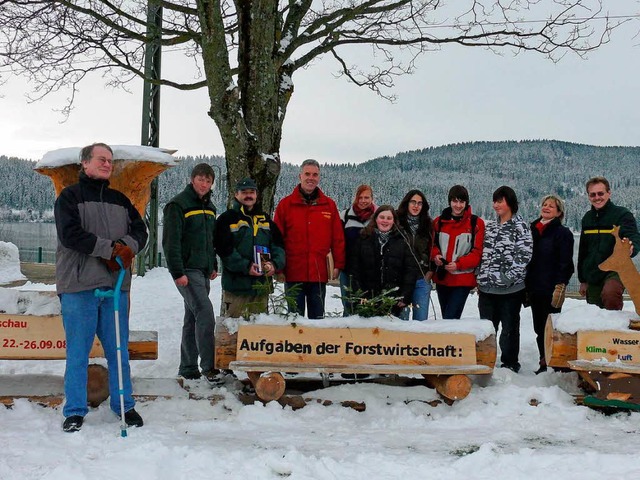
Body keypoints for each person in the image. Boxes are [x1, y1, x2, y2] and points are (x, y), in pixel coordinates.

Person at [54, 142, 147, 433]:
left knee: (118, 350)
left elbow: (140, 231)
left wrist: (126, 249)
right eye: (101, 159)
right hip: (79, 285)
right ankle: (75, 410)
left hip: (115, 286)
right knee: (78, 353)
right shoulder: (69, 197)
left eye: (110, 160)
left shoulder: (121, 200)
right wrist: (109, 250)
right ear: (85, 163)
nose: (107, 164)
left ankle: (124, 405)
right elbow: (71, 235)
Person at [162, 163, 221, 385]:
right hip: (186, 270)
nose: (204, 184)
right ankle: (209, 367)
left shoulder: (210, 208)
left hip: (203, 271)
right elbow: (171, 242)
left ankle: (188, 367)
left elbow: (210, 241)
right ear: (192, 179)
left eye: (208, 181)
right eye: (201, 179)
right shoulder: (178, 205)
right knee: (205, 313)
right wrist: (177, 272)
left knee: (192, 318)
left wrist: (212, 264)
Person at [274, 159, 345, 319]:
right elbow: (276, 239)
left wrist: (338, 264)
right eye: (307, 174)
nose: (310, 178)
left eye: (315, 174)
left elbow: (337, 238)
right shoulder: (286, 205)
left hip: (318, 272)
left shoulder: (328, 205)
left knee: (317, 321)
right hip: (293, 272)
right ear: (300, 176)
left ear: (319, 178)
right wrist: (279, 267)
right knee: (294, 321)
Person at [477, 186, 532, 373]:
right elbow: (483, 255)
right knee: (486, 329)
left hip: (511, 290)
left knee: (509, 329)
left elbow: (524, 256)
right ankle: (485, 361)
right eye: (494, 201)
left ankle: (509, 364)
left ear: (510, 202)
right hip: (486, 289)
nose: (496, 205)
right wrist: (481, 276)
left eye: (500, 201)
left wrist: (507, 278)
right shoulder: (490, 226)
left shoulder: (521, 226)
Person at [215, 177, 285, 317]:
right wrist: (246, 267)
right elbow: (225, 250)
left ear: (256, 195)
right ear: (236, 194)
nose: (248, 195)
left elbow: (279, 246)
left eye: (251, 192)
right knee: (233, 331)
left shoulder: (266, 220)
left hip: (261, 288)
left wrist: (274, 264)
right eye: (244, 192)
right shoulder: (226, 219)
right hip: (236, 288)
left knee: (259, 333)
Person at [525, 195, 574, 374]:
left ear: (559, 212)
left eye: (551, 206)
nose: (546, 208)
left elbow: (566, 263)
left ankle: (556, 361)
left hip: (551, 288)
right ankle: (543, 360)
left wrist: (561, 286)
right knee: (539, 328)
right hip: (534, 287)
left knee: (551, 328)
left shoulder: (563, 233)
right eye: (544, 205)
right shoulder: (531, 230)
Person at [578, 176, 640, 310]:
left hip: (614, 270)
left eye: (601, 193)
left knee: (610, 293)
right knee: (595, 311)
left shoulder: (622, 214)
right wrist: (583, 280)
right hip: (593, 272)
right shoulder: (587, 218)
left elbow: (633, 236)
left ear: (609, 193)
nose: (597, 197)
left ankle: (616, 328)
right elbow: (582, 251)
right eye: (592, 194)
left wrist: (631, 247)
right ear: (588, 196)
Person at [351, 205, 418, 317]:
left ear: (394, 221)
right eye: (382, 217)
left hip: (394, 301)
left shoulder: (402, 241)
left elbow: (410, 270)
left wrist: (405, 296)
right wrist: (359, 294)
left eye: (389, 218)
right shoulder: (363, 239)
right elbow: (355, 269)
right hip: (368, 299)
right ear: (376, 219)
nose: (385, 221)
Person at [432, 185, 485, 319]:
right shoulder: (438, 222)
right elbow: (432, 245)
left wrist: (459, 264)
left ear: (466, 203)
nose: (458, 205)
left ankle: (450, 340)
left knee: (451, 317)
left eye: (461, 202)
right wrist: (436, 255)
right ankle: (449, 340)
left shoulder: (476, 223)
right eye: (455, 201)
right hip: (442, 278)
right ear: (449, 201)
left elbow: (477, 253)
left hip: (462, 279)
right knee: (447, 319)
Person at [396, 189, 434, 321]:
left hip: (421, 278)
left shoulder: (428, 225)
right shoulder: (396, 222)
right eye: (413, 202)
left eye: (419, 203)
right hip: (401, 279)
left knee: (421, 322)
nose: (416, 206)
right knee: (400, 321)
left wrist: (430, 271)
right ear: (407, 203)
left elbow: (434, 249)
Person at [340, 184, 376, 315]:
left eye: (366, 197)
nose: (363, 200)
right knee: (348, 306)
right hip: (348, 269)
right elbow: (339, 242)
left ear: (372, 198)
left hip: (371, 271)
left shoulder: (378, 216)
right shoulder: (345, 215)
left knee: (369, 307)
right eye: (360, 197)